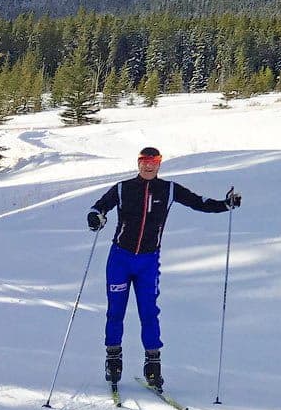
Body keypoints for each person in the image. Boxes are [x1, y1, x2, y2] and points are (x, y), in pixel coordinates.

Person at [87, 146, 241, 390]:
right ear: (138, 163)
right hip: (120, 259)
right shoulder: (122, 188)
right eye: (145, 161)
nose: (149, 166)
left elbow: (198, 202)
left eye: (154, 161)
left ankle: (152, 366)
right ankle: (113, 359)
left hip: (148, 261)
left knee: (149, 312)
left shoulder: (168, 189)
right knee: (115, 310)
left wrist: (225, 204)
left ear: (160, 164)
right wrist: (95, 217)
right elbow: (99, 207)